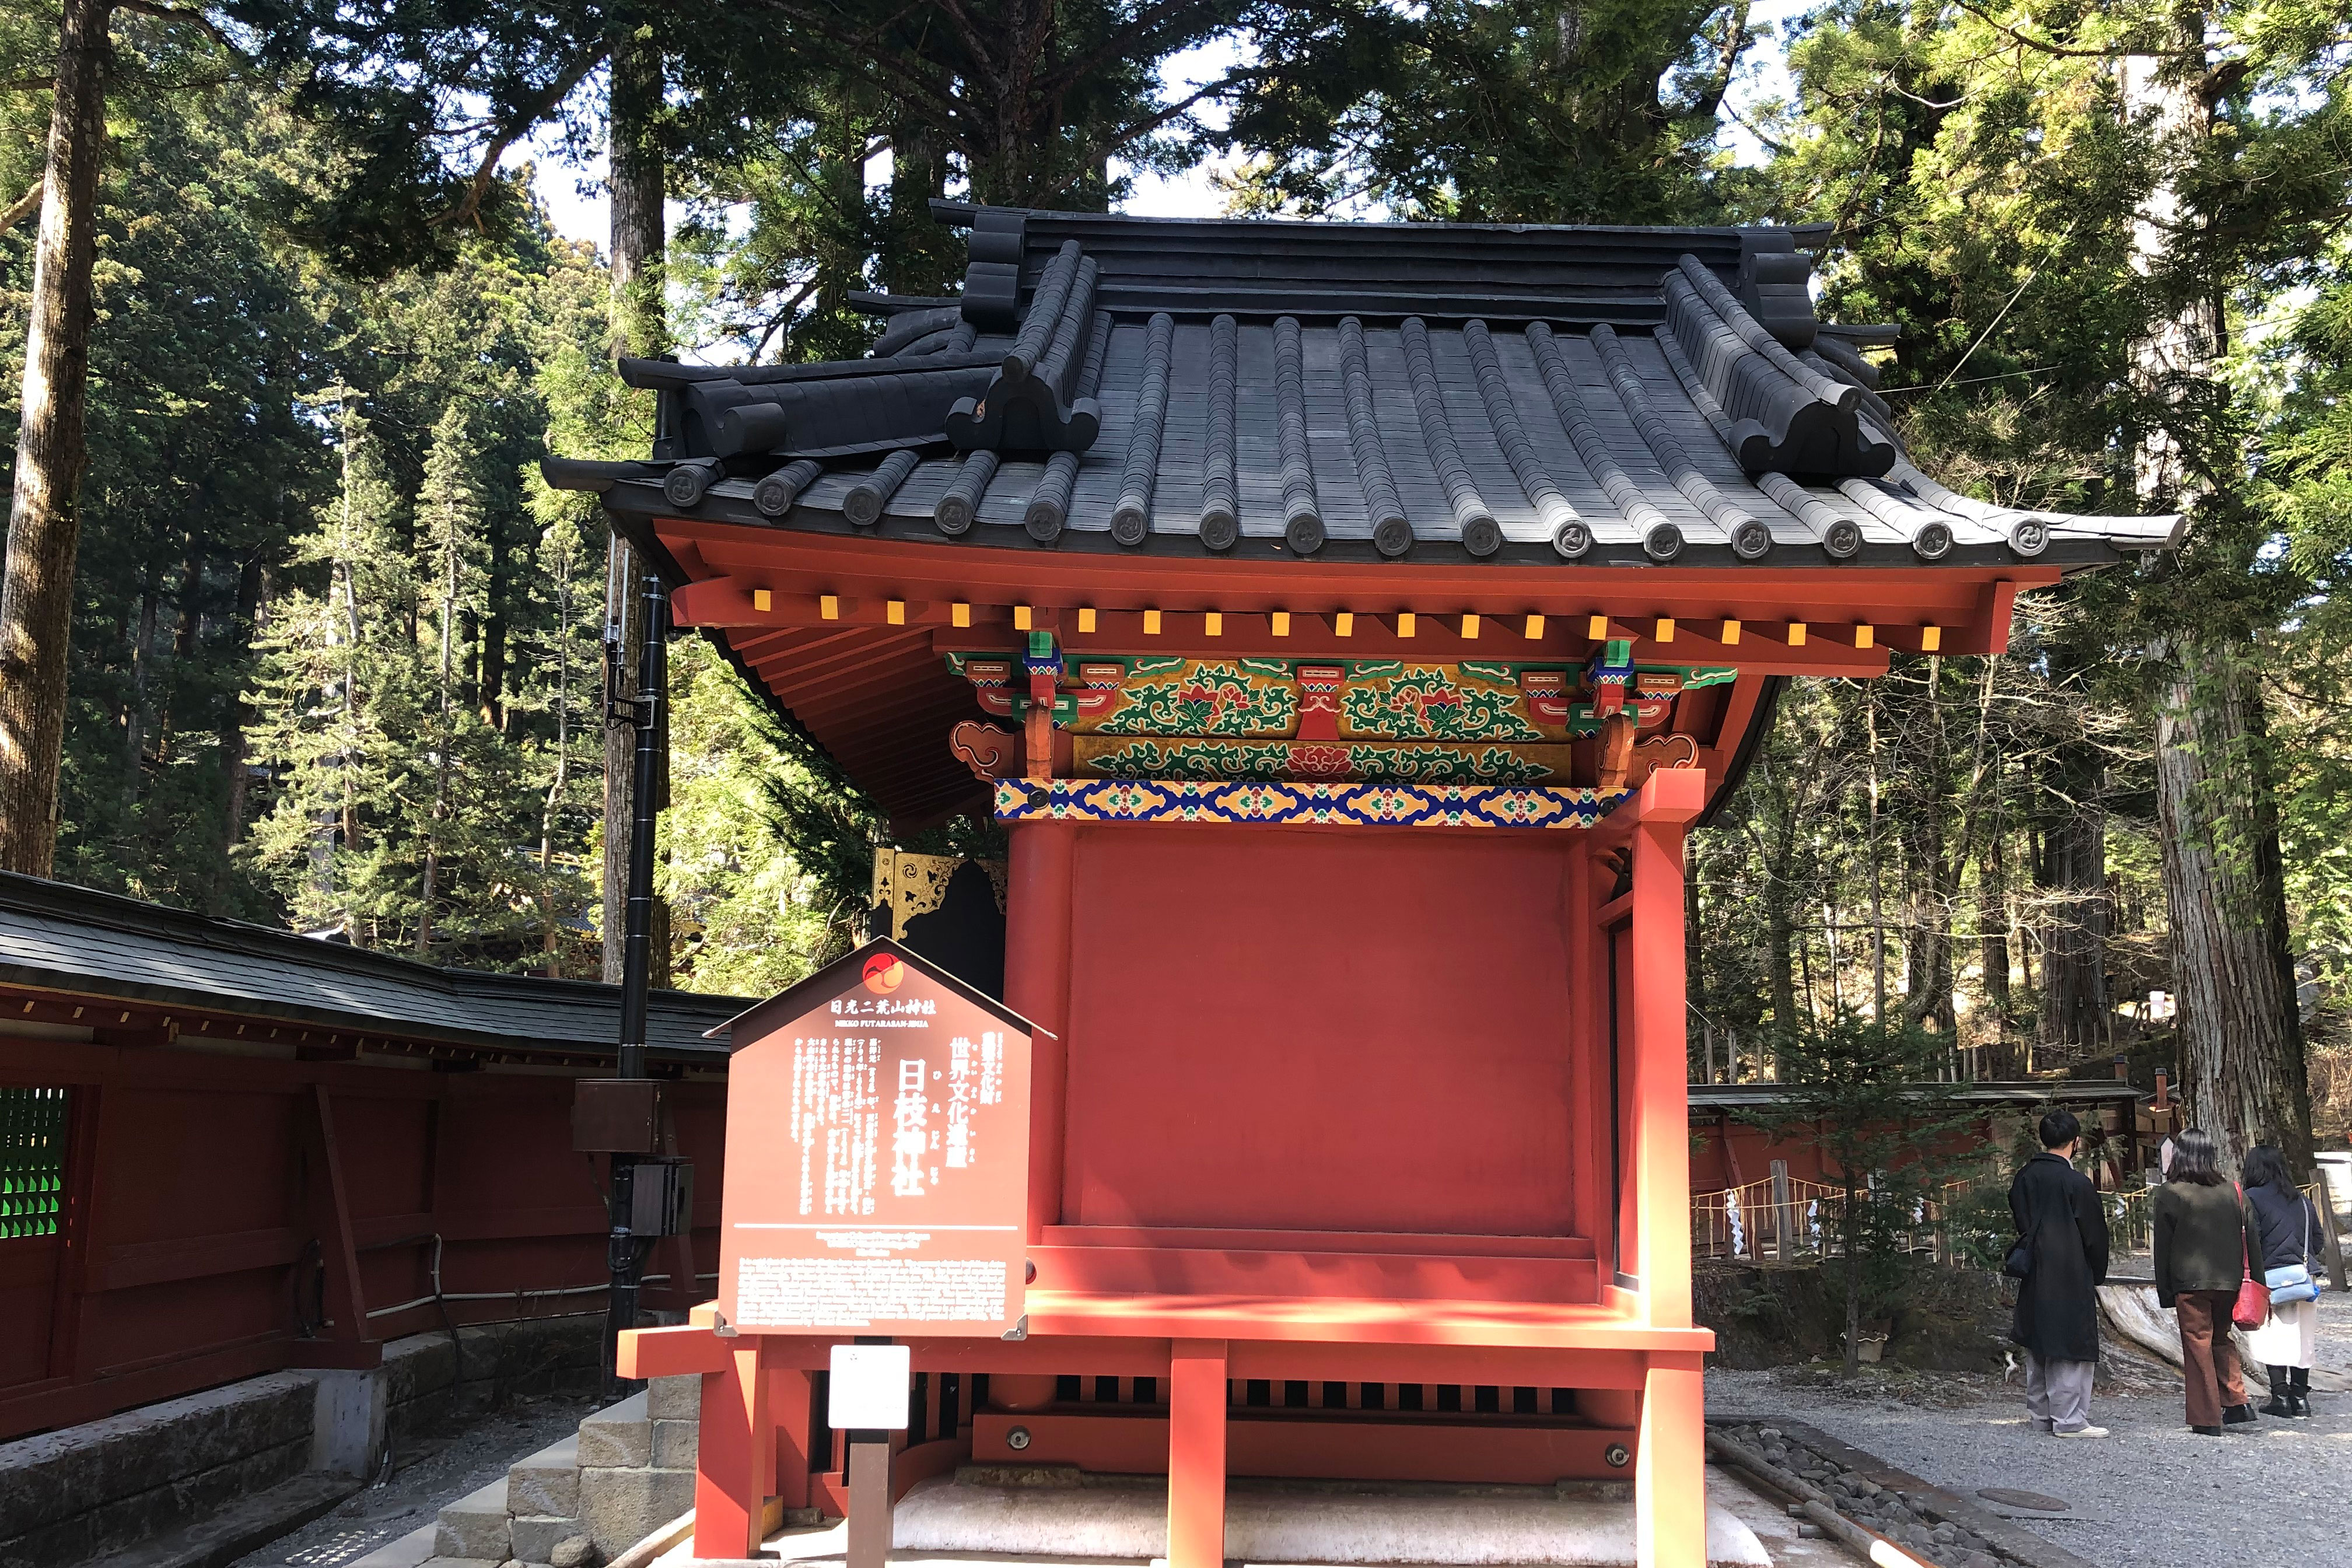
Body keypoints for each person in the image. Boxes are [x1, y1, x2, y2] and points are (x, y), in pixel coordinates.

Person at [2007, 1110, 2111, 1437]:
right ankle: (2070, 1419)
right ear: (2075, 1142)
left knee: (2038, 1338)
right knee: (2071, 1343)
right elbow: (2094, 1233)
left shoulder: (2025, 1177)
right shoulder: (2076, 1182)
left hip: (2034, 1267)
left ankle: (2041, 1416)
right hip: (2069, 1268)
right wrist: (2097, 1270)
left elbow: (2021, 1218)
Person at [2152, 1128, 2259, 1434]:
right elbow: (2252, 1241)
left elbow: (2163, 1248)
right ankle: (2237, 1403)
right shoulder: (2234, 1191)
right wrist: (2258, 1285)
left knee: (2198, 1345)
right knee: (2222, 1338)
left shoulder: (2170, 1192)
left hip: (2191, 1282)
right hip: (2231, 1282)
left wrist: (2166, 1292)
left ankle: (2206, 1418)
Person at [2241, 1143, 2323, 1418]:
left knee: (2271, 1337)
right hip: (2302, 1276)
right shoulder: (2302, 1200)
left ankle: (2280, 1397)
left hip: (2269, 1278)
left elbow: (2249, 1240)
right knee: (2302, 1337)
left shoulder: (2250, 1198)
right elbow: (2319, 1242)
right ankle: (2301, 1398)